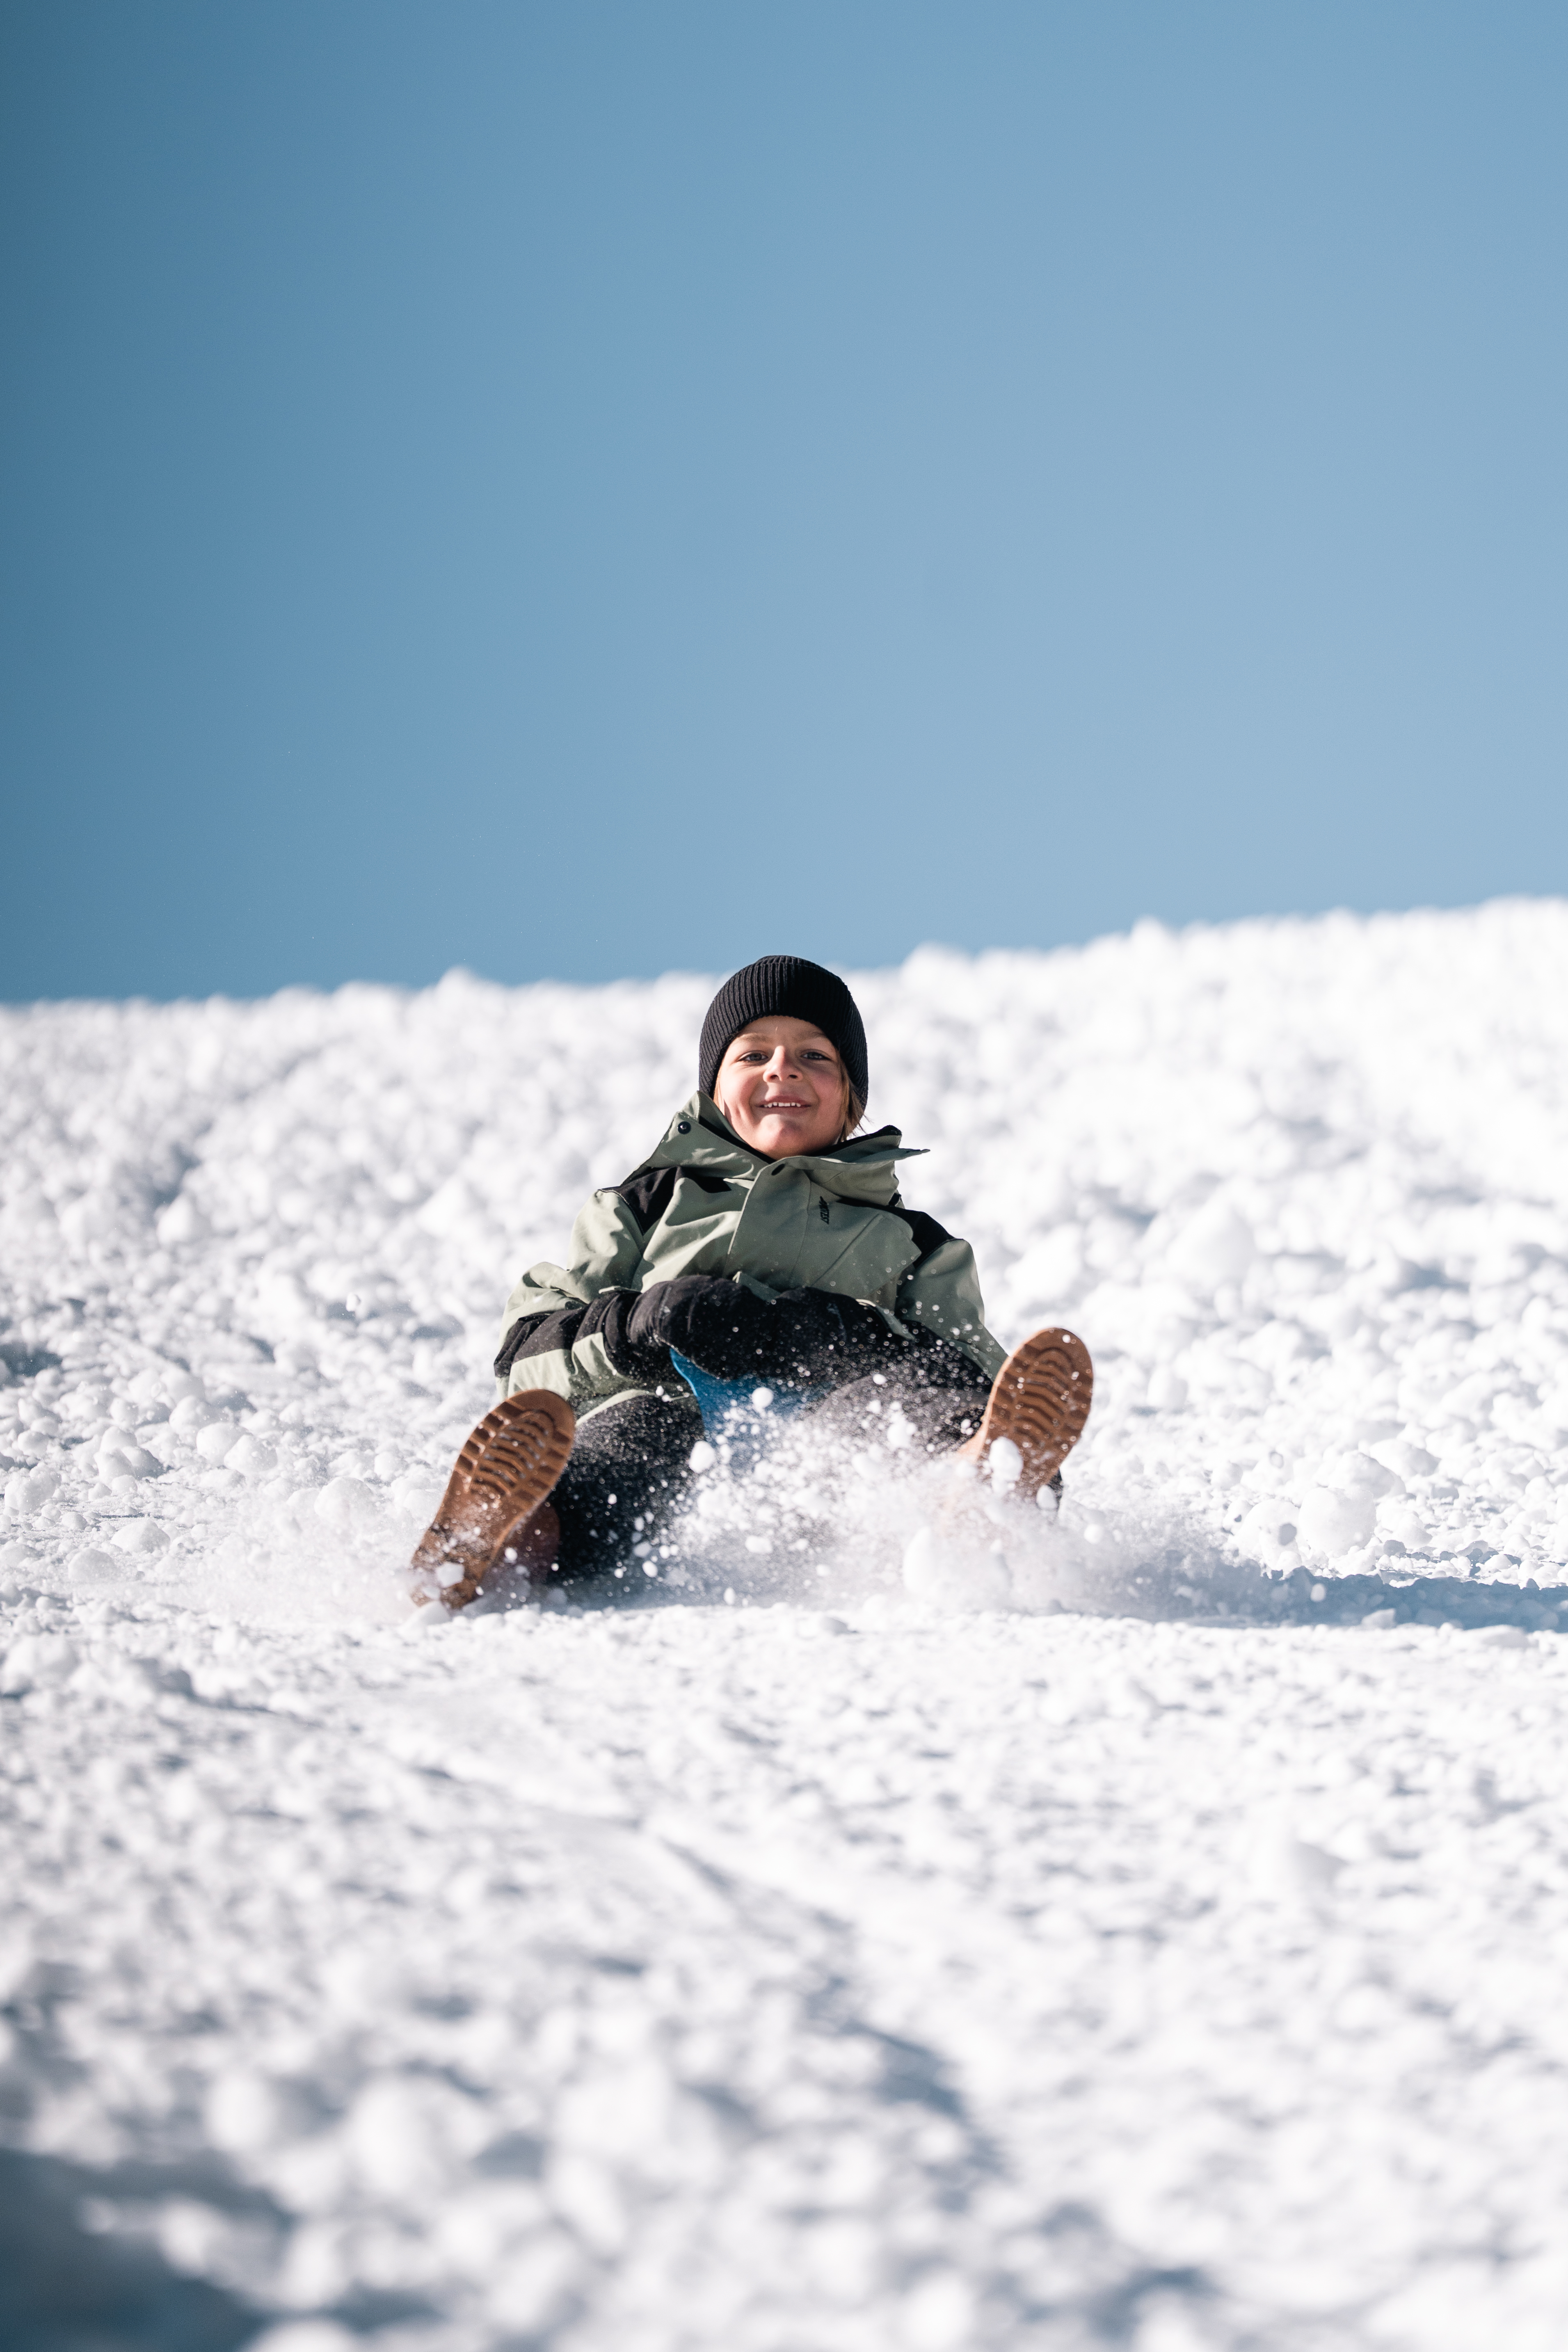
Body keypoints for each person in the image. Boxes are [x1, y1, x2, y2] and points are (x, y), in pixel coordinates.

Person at [409, 956, 1092, 1609]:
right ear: (713, 1089)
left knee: (907, 1416)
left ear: (850, 1097)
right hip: (669, 1400)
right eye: (753, 1053)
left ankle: (978, 1489)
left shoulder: (913, 1243)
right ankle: (500, 1541)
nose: (782, 1070)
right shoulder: (642, 1207)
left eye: (814, 1056)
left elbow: (971, 1369)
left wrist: (840, 1335)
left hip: (823, 1437)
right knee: (628, 1444)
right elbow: (525, 1360)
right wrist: (631, 1328)